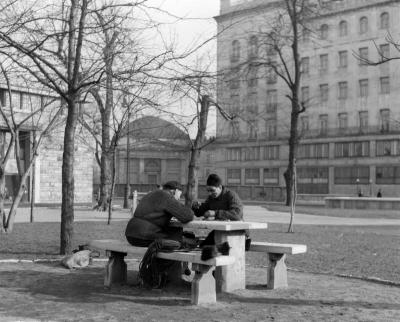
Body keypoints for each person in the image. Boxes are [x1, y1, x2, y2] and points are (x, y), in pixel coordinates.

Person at [125, 181, 194, 247]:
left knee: (175, 234)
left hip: (130, 235)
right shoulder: (167, 196)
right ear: (174, 191)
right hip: (144, 236)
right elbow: (187, 216)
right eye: (179, 195)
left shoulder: (151, 194)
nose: (179, 198)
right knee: (178, 240)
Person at [192, 173, 248, 256]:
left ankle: (219, 268)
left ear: (220, 187)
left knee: (215, 250)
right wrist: (195, 207)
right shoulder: (211, 198)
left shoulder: (231, 195)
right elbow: (200, 212)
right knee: (203, 248)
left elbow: (237, 214)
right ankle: (205, 268)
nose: (210, 193)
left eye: (212, 190)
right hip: (221, 231)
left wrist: (215, 213)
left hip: (237, 232)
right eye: (208, 191)